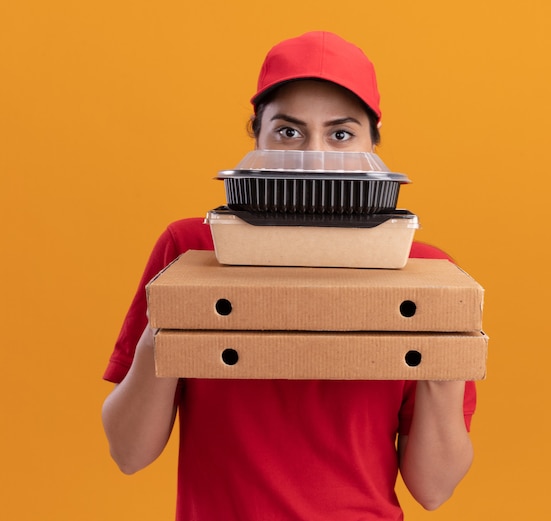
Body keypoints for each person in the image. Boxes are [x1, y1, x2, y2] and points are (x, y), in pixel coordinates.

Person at [102, 31, 476, 520]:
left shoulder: (424, 271)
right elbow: (129, 454)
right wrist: (171, 327)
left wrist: (440, 359)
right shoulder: (190, 250)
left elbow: (434, 489)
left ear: (373, 145)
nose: (313, 156)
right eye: (288, 131)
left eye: (341, 134)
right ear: (256, 134)